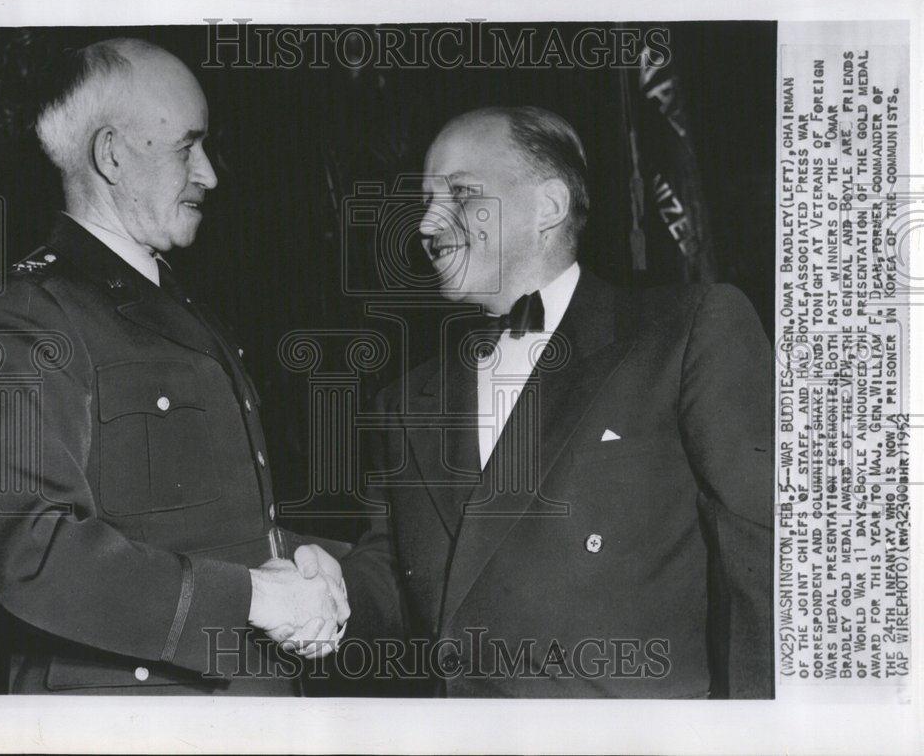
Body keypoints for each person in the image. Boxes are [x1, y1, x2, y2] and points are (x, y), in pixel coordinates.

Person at [327, 106, 773, 698]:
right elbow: (388, 569)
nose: (427, 224)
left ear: (549, 206)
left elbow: (767, 559)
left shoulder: (687, 331)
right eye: (425, 199)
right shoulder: (405, 399)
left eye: (459, 192)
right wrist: (321, 595)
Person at [0, 38, 348, 695]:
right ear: (111, 155)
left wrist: (301, 561)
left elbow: (199, 521)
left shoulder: (180, 304)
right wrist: (255, 597)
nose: (210, 175)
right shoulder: (23, 313)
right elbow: (32, 551)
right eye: (187, 148)